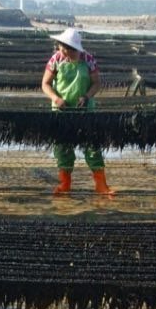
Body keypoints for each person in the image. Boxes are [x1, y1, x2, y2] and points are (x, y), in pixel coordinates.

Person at [41, 28, 114, 197]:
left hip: (85, 111)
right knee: (63, 148)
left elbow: (96, 83)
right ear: (60, 47)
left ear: (76, 50)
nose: (67, 54)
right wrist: (56, 99)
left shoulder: (88, 59)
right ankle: (64, 184)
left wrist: (87, 96)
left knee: (92, 147)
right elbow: (45, 84)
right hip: (61, 111)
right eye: (63, 49)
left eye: (71, 51)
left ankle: (101, 186)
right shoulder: (56, 60)